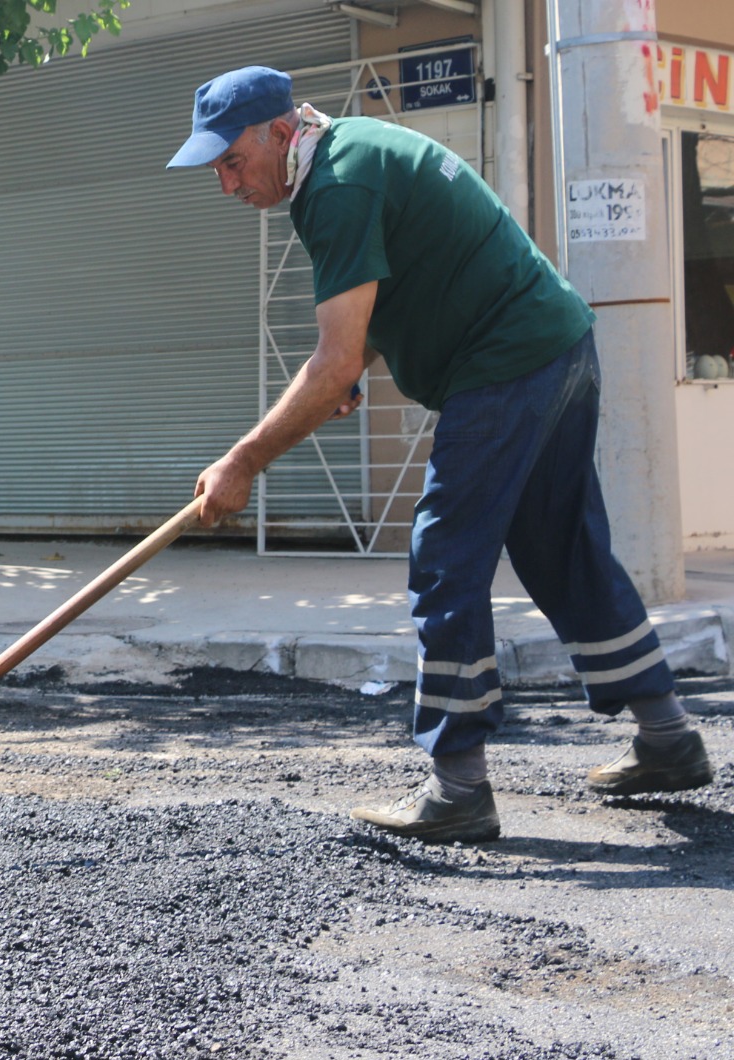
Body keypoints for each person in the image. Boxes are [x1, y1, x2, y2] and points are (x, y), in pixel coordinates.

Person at [166, 66, 712, 843]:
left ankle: (459, 787)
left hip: (507, 365)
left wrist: (244, 459)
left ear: (281, 135)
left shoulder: (337, 186)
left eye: (231, 162)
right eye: (217, 169)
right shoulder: (348, 153)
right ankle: (668, 737)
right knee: (562, 548)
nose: (226, 186)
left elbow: (333, 363)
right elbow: (412, 285)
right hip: (556, 346)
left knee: (446, 556)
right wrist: (359, 365)